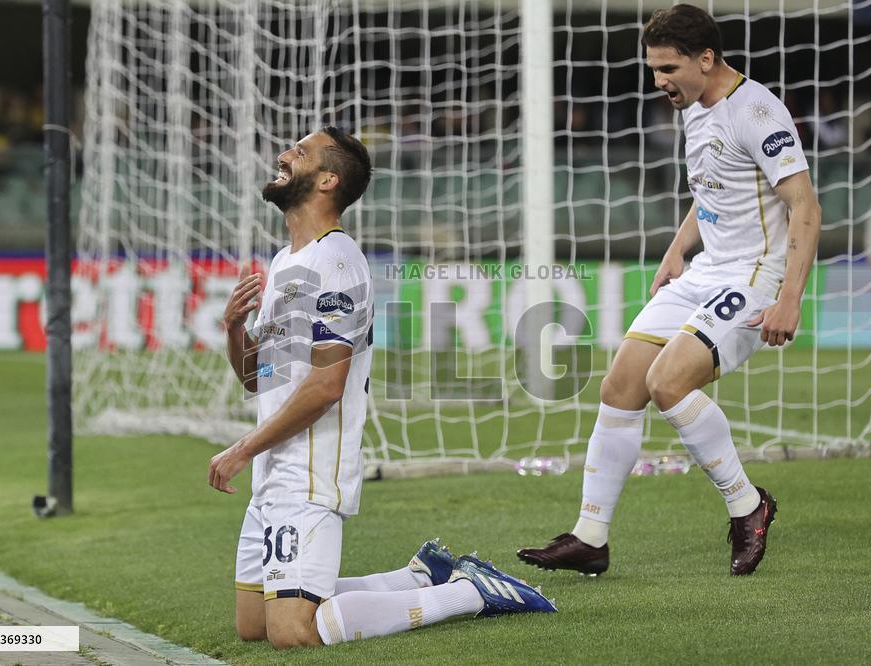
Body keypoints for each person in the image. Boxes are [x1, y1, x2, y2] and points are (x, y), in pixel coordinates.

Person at [208, 126, 556, 650]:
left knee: (293, 633)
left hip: (310, 472)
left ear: (327, 180)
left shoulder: (337, 261)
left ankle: (471, 593)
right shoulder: (284, 262)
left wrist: (242, 448)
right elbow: (259, 378)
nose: (283, 155)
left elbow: (327, 385)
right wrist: (234, 329)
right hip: (274, 472)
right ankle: (416, 578)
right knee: (254, 624)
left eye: (300, 152)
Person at [517, 4, 821, 577]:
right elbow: (710, 191)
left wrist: (790, 297)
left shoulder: (757, 112)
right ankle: (590, 537)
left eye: (667, 69)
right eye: (653, 69)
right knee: (620, 386)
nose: (659, 81)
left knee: (668, 382)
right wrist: (678, 248)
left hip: (754, 276)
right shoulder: (694, 105)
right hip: (706, 270)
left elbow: (805, 205)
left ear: (706, 59)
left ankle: (748, 506)